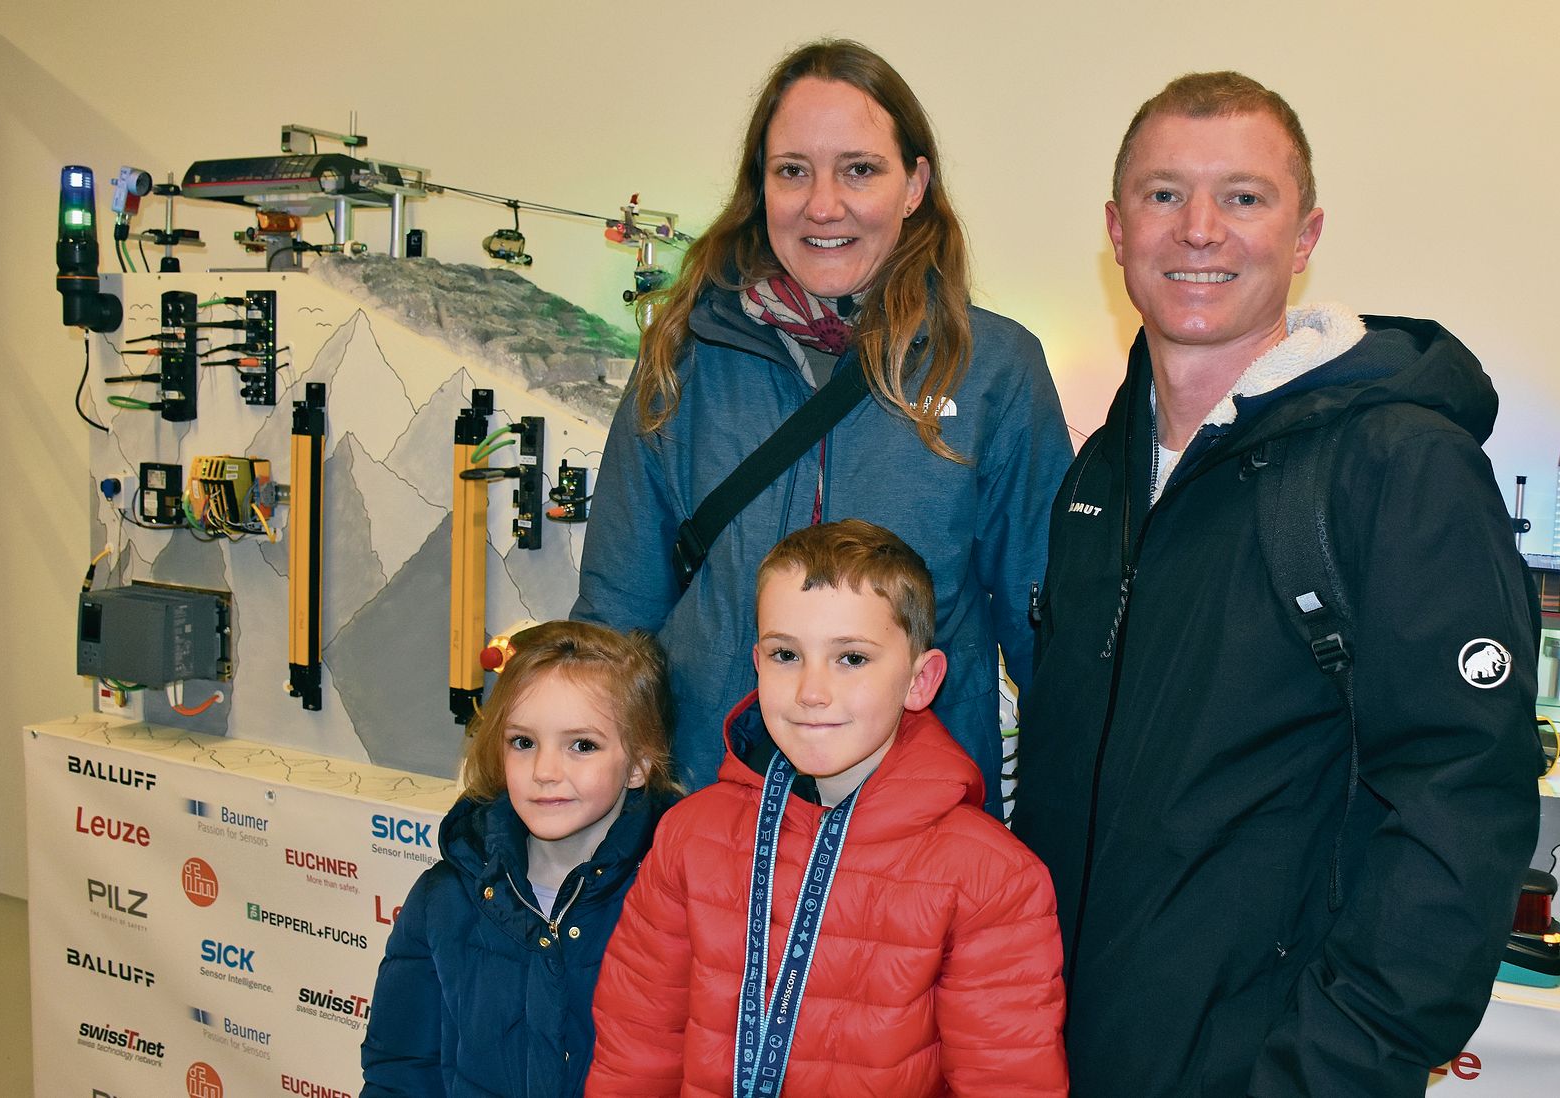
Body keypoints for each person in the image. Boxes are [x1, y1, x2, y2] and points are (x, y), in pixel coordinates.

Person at [1009, 73, 1543, 1097]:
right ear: (1117, 232)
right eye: (1165, 195)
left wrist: (1335, 1068)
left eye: (1244, 198)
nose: (1199, 230)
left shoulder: (1398, 466)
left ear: (1305, 236)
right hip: (1066, 1052)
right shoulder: (1100, 476)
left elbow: (1457, 805)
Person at [571, 39, 1070, 808]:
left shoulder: (993, 368)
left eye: (860, 169)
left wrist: (1060, 836)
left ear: (915, 186)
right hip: (706, 819)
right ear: (759, 188)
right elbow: (616, 620)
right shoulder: (682, 359)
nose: (823, 204)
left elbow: (1049, 641)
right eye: (793, 170)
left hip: (916, 839)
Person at [586, 519, 1067, 1097]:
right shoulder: (689, 837)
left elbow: (1008, 1082)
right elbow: (637, 1047)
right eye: (786, 653)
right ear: (757, 663)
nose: (812, 691)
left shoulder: (993, 879)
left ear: (921, 680)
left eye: (852, 659)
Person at [362, 621, 680, 1098]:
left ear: (639, 763)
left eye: (582, 745)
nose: (545, 772)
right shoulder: (443, 898)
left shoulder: (673, 901)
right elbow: (400, 1071)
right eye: (523, 742)